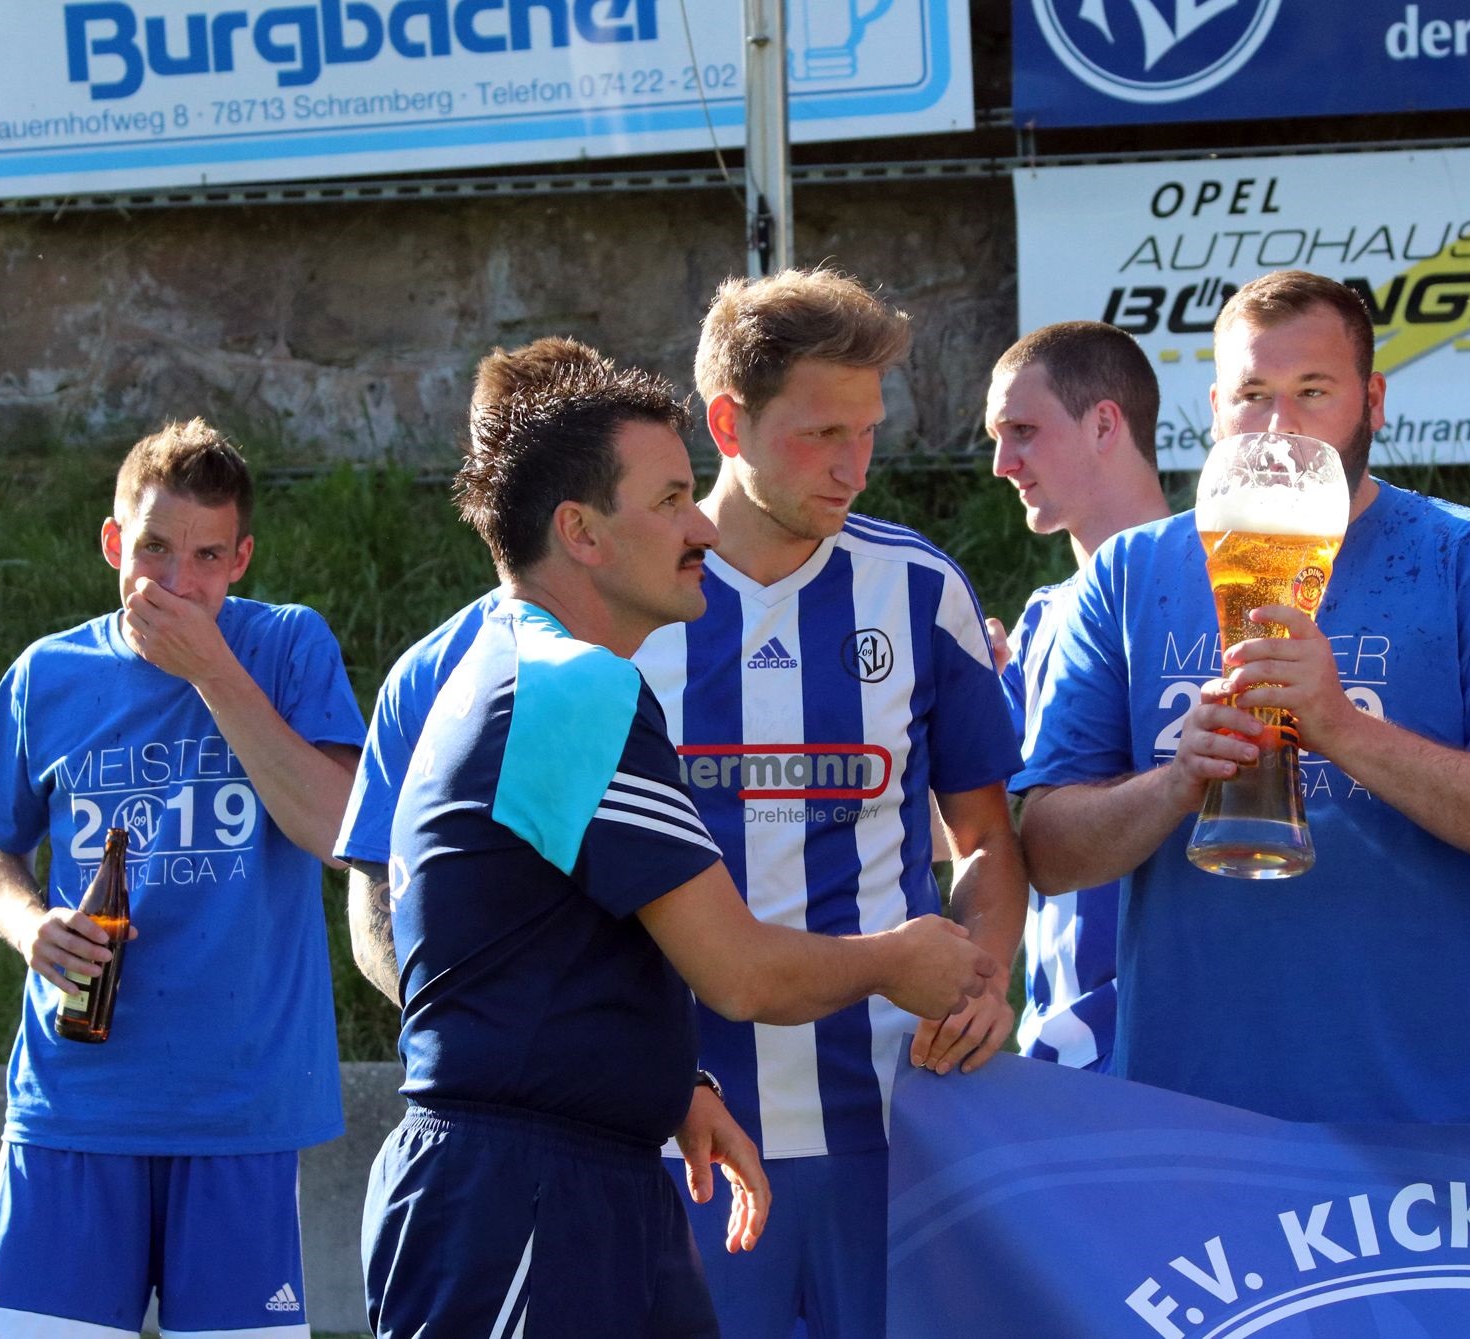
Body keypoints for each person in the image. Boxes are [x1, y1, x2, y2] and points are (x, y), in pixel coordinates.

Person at [359, 345, 999, 1337]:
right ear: (580, 532)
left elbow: (549, 951)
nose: (703, 527)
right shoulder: (572, 687)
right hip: (524, 1196)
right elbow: (739, 973)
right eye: (668, 501)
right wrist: (898, 958)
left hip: (573, 1172)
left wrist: (668, 1083)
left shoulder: (525, 666)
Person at [1013, 269, 1470, 1123]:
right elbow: (1049, 849)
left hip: (1421, 1119)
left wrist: (1341, 726)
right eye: (1253, 394)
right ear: (1215, 407)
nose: (1280, 427)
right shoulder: (1131, 571)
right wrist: (1174, 784)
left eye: (1313, 391)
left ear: (1374, 401)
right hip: (1185, 1116)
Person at [629, 268, 1027, 1337]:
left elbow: (985, 836)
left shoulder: (919, 588)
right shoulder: (625, 609)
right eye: (818, 435)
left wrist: (986, 975)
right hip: (684, 1129)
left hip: (891, 1123)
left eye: (867, 430)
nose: (853, 465)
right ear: (728, 422)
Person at [0, 420, 363, 1337]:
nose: (177, 583)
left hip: (237, 1105)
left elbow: (336, 831)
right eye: (154, 551)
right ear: (111, 544)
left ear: (242, 557)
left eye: (207, 556)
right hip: (73, 1105)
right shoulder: (47, 673)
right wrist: (31, 925)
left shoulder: (288, 647)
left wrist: (212, 672)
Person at [333, 340, 599, 1005]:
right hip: (496, 1088)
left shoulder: (683, 633)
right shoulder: (424, 676)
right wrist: (474, 1035)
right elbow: (376, 916)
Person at [985, 320, 1170, 1073]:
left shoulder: (1222, 594)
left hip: (1182, 1063)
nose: (1002, 463)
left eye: (1023, 430)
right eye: (998, 437)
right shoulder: (1041, 617)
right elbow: (984, 834)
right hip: (1061, 1063)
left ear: (1104, 423)